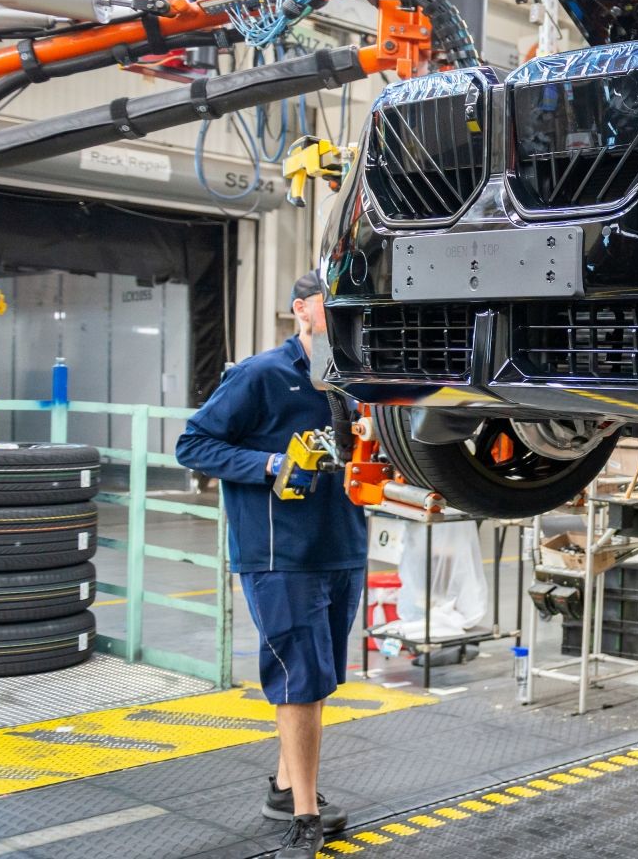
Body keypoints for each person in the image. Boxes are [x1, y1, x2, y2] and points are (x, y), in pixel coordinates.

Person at [176, 272, 365, 859]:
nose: (347, 315)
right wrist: (269, 464)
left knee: (320, 677)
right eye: (333, 305)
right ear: (301, 310)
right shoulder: (260, 375)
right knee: (299, 682)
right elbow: (192, 444)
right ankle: (305, 818)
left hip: (343, 545)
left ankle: (285, 789)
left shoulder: (357, 379)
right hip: (280, 555)